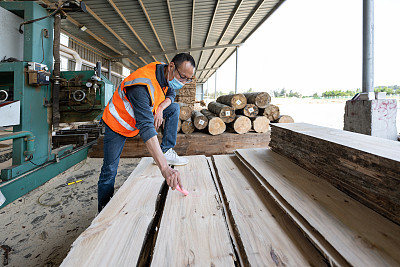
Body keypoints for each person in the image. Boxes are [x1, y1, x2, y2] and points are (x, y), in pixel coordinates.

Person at [98, 53, 196, 212]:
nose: (183, 83)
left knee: (174, 108)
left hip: (137, 121)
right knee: (109, 170)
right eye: (182, 77)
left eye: (187, 79)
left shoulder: (166, 73)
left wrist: (160, 109)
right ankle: (103, 210)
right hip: (117, 124)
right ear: (171, 66)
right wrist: (164, 168)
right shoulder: (141, 85)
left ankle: (165, 150)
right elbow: (146, 127)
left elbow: (171, 93)